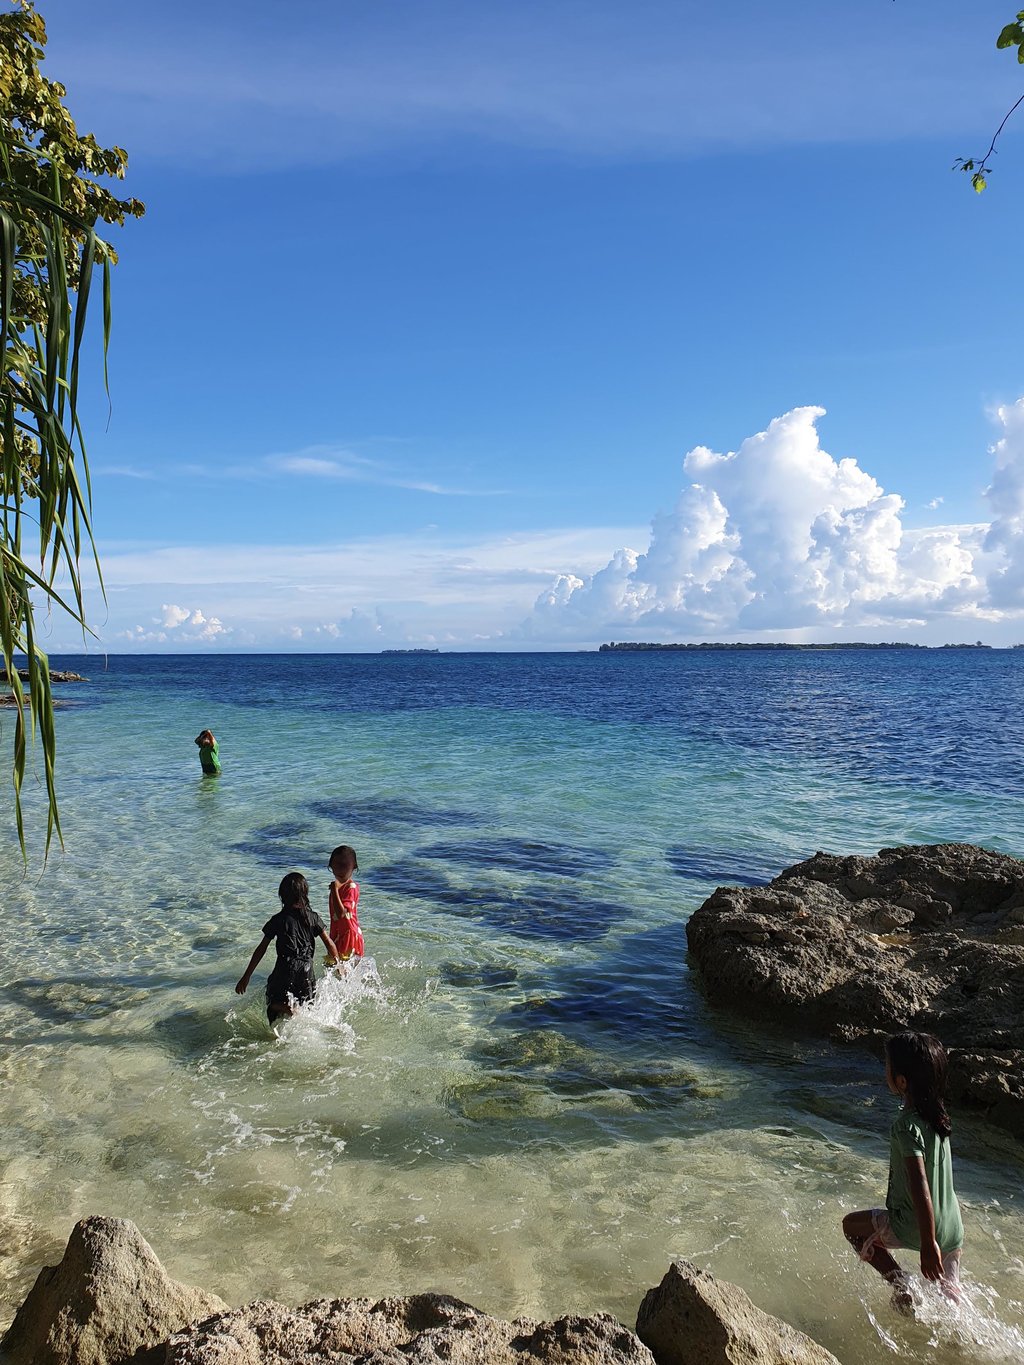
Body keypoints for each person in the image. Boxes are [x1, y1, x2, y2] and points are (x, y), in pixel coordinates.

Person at [842, 1031, 964, 1309]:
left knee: (850, 1226)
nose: (883, 1069)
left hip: (916, 1227)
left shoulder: (905, 1126)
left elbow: (919, 1184)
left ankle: (900, 1282)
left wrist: (928, 1242)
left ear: (901, 1081)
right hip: (954, 1228)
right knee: (951, 1299)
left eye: (886, 1065)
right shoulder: (939, 1117)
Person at [236, 872, 339, 1026]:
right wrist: (339, 965)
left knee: (272, 1000)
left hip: (285, 968)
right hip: (307, 970)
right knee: (307, 1008)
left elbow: (261, 949)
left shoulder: (278, 920)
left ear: (282, 896)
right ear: (305, 895)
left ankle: (285, 1008)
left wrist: (246, 976)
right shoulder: (313, 917)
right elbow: (329, 943)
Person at [327, 844, 364, 962]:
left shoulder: (351, 887)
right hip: (338, 934)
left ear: (354, 866)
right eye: (336, 864)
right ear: (331, 866)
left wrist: (334, 889)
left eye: (344, 865)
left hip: (349, 935)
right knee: (335, 969)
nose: (340, 868)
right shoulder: (338, 888)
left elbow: (341, 913)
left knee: (341, 970)